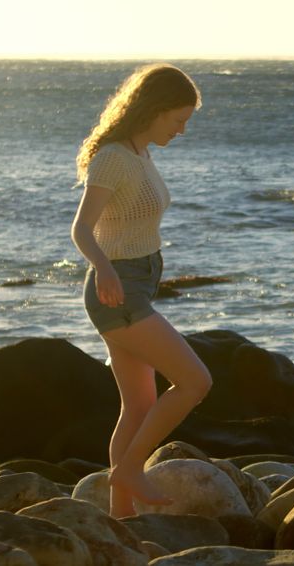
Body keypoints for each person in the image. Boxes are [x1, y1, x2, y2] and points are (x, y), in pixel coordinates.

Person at [71, 64, 213, 518]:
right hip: (118, 291)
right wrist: (105, 270)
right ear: (153, 110)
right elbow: (81, 229)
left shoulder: (141, 153)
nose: (183, 130)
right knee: (195, 382)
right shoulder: (114, 156)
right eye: (178, 119)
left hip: (137, 285)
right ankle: (130, 470)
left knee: (138, 406)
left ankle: (120, 516)